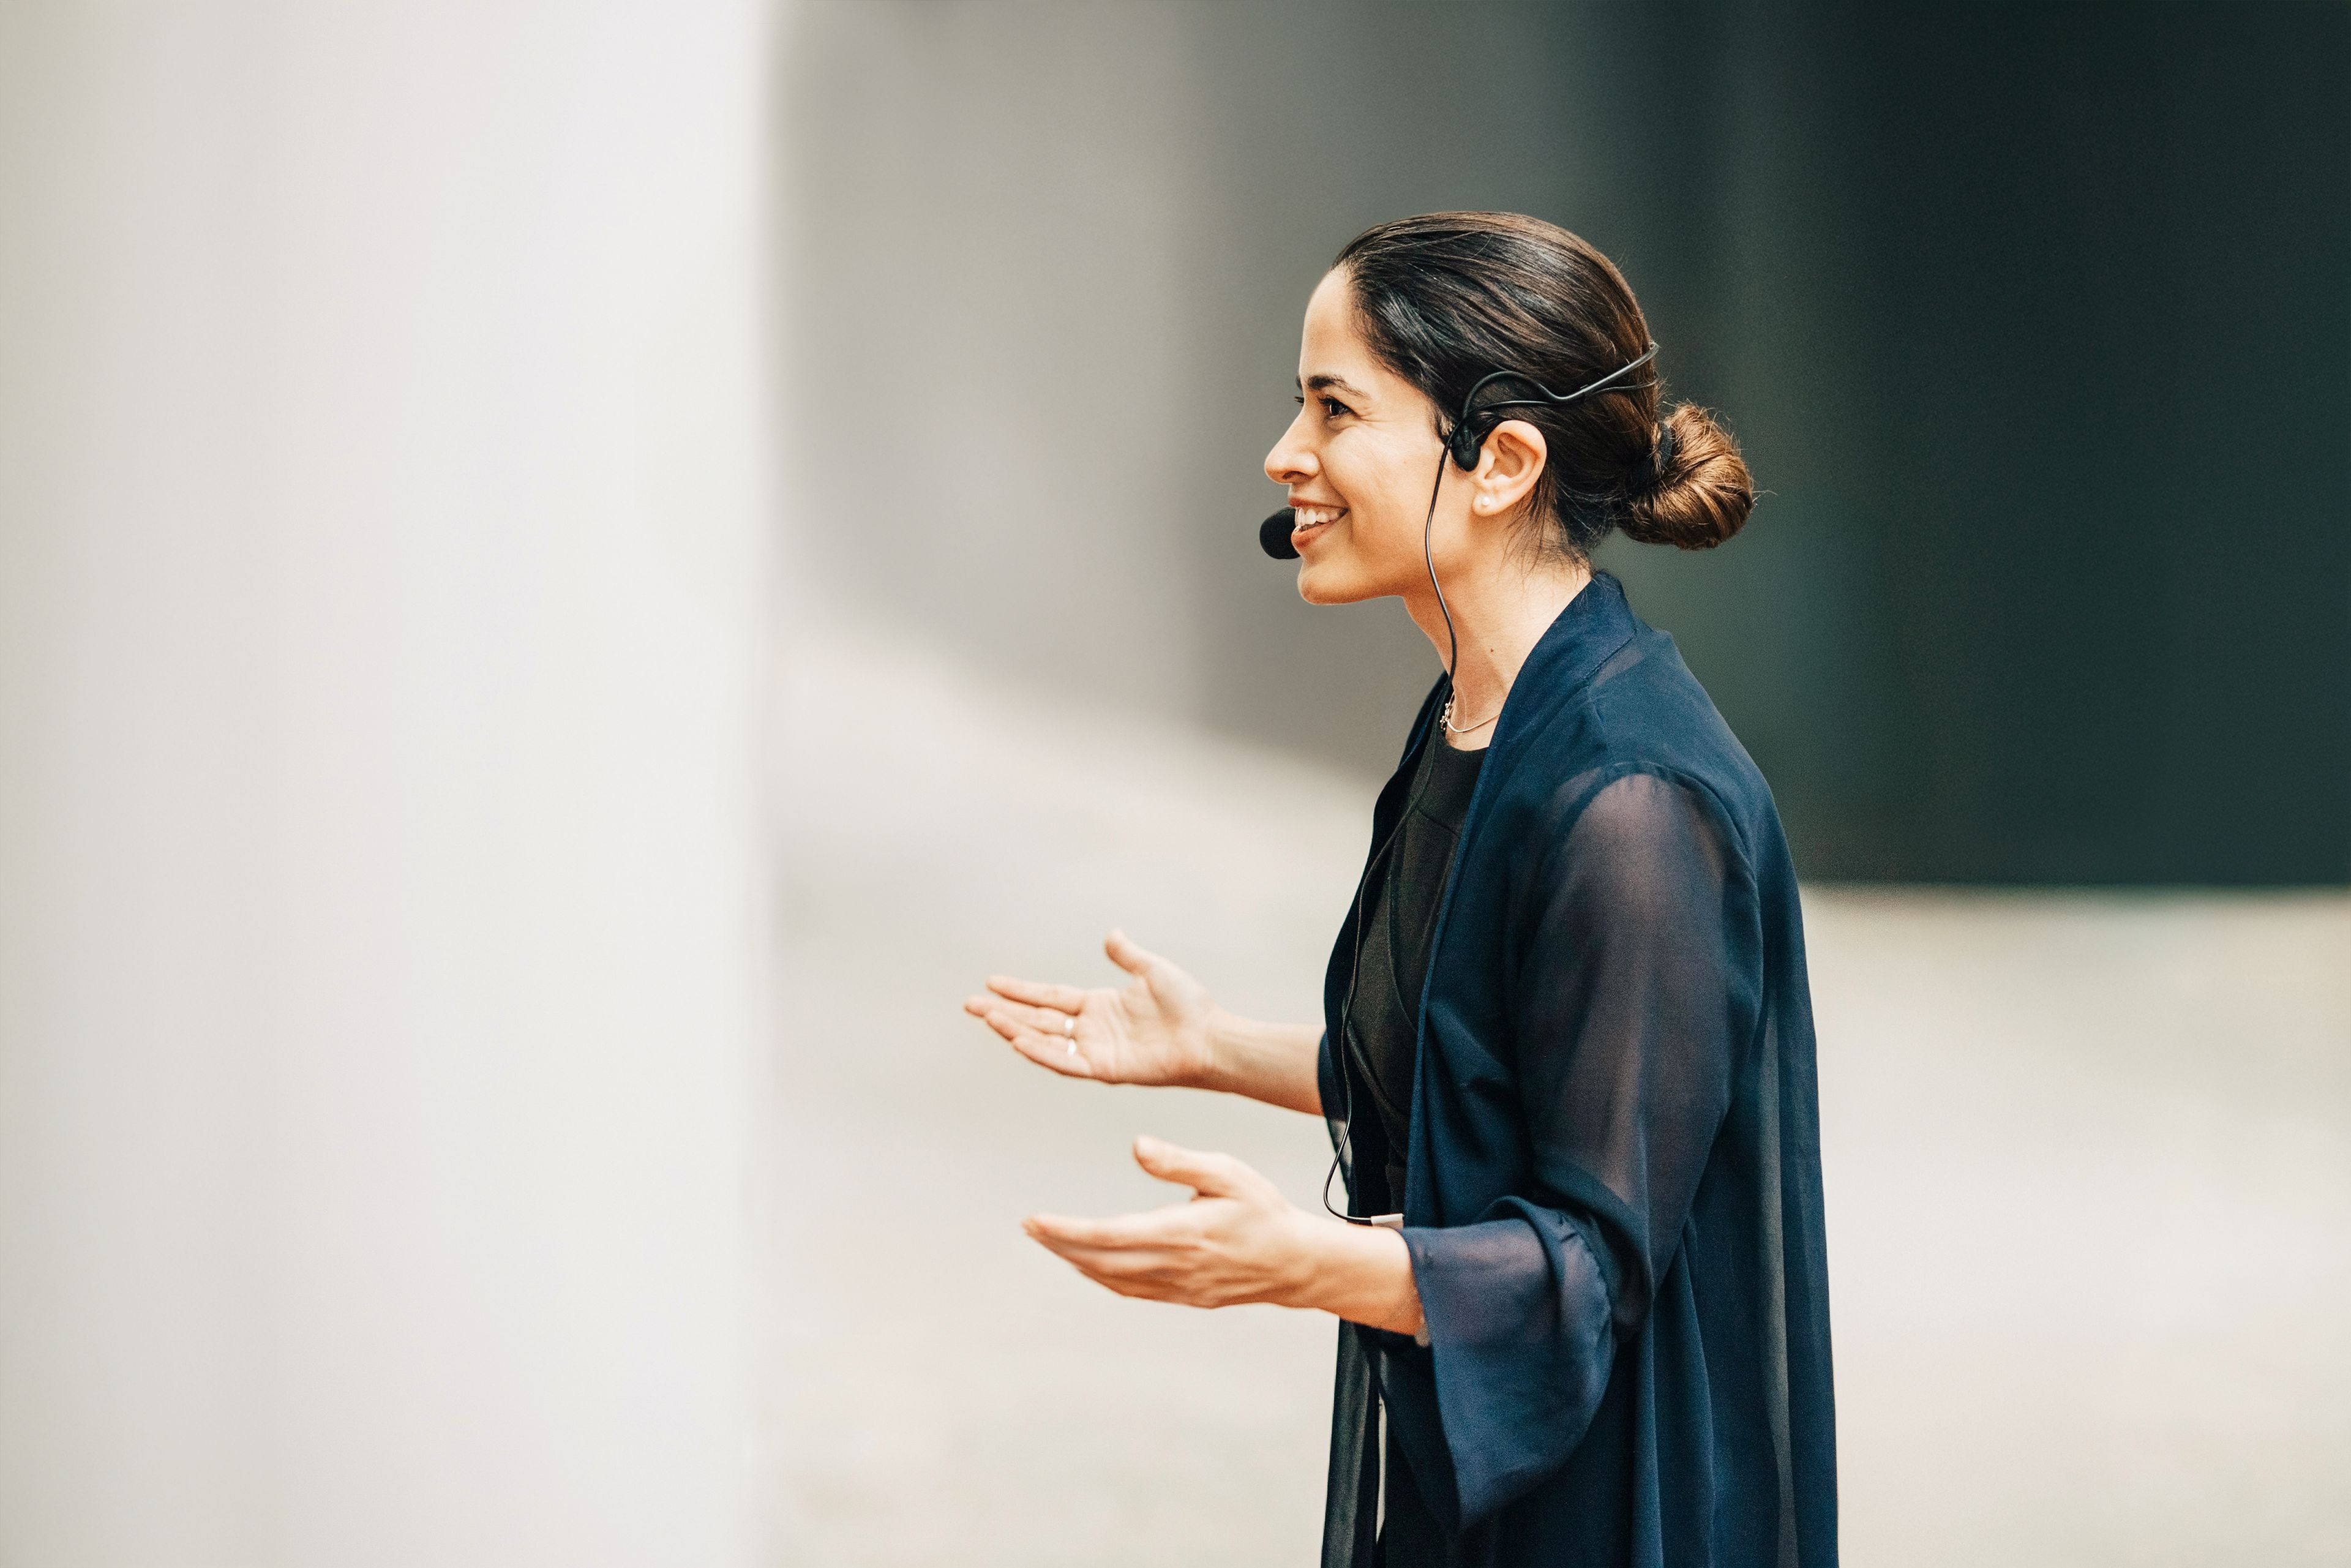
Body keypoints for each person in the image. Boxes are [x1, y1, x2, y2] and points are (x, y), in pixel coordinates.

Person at [964, 211, 1835, 1568]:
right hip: (1473, 1494)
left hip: (1611, 1520)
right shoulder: (1478, 722)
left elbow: (1585, 1273)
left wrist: (1298, 1261)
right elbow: (1484, 1068)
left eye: (1334, 408)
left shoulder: (1635, 808)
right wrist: (1213, 1052)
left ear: (1501, 462)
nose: (1285, 456)